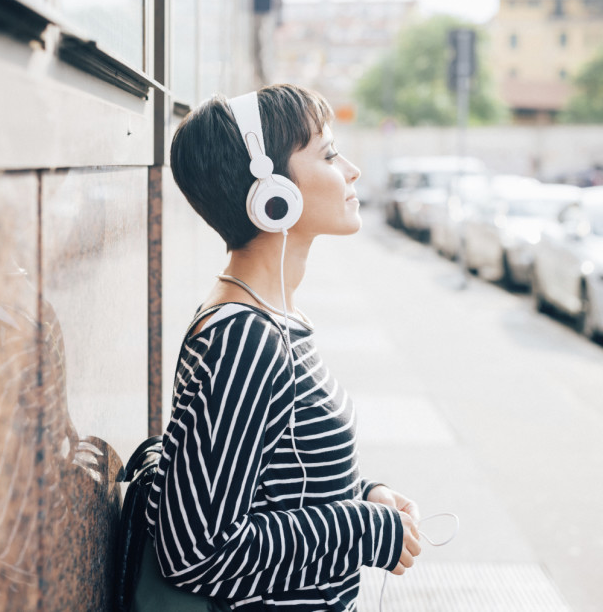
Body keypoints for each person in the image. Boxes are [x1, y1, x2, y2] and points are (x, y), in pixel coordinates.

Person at [147, 84, 422, 610]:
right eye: (328, 153)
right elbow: (192, 551)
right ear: (273, 194)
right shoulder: (242, 339)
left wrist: (364, 495)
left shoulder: (279, 318)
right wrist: (359, 528)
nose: (351, 170)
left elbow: (276, 481)